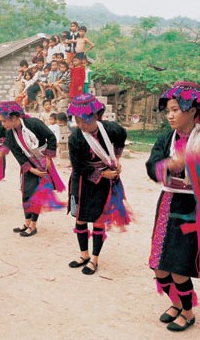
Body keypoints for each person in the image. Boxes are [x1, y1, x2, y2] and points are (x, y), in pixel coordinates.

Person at [146, 81, 200, 332]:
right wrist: (169, 164)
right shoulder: (166, 138)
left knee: (178, 268)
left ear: (192, 110)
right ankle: (176, 303)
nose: (170, 115)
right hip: (167, 205)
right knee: (159, 268)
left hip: (194, 208)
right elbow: (151, 167)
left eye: (175, 109)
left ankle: (187, 313)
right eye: (168, 111)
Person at [66, 93, 130, 275]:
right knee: (80, 218)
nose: (79, 125)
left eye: (82, 121)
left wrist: (116, 158)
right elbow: (78, 166)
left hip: (104, 183)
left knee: (99, 219)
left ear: (94, 116)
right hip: (82, 181)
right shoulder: (75, 138)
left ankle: (94, 259)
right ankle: (83, 254)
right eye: (76, 120)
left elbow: (122, 136)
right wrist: (102, 174)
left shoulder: (111, 129)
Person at [0, 101, 65, 237]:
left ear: (15, 118)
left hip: (43, 162)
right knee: (26, 193)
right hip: (29, 165)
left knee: (36, 195)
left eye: (4, 121)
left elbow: (50, 137)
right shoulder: (10, 134)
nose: (3, 124)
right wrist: (31, 170)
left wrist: (48, 158)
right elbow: (18, 155)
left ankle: (33, 225)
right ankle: (26, 222)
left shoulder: (33, 123)